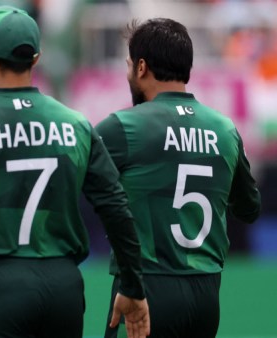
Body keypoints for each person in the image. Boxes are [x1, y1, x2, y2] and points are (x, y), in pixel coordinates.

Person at [0, 6, 150, 338]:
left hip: (0, 282)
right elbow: (115, 207)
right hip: (64, 284)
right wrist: (132, 283)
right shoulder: (75, 124)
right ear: (35, 59)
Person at [95, 18, 262, 338]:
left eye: (130, 64)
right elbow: (249, 209)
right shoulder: (225, 129)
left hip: (146, 287)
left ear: (141, 67)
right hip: (206, 296)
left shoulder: (122, 127)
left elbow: (71, 187)